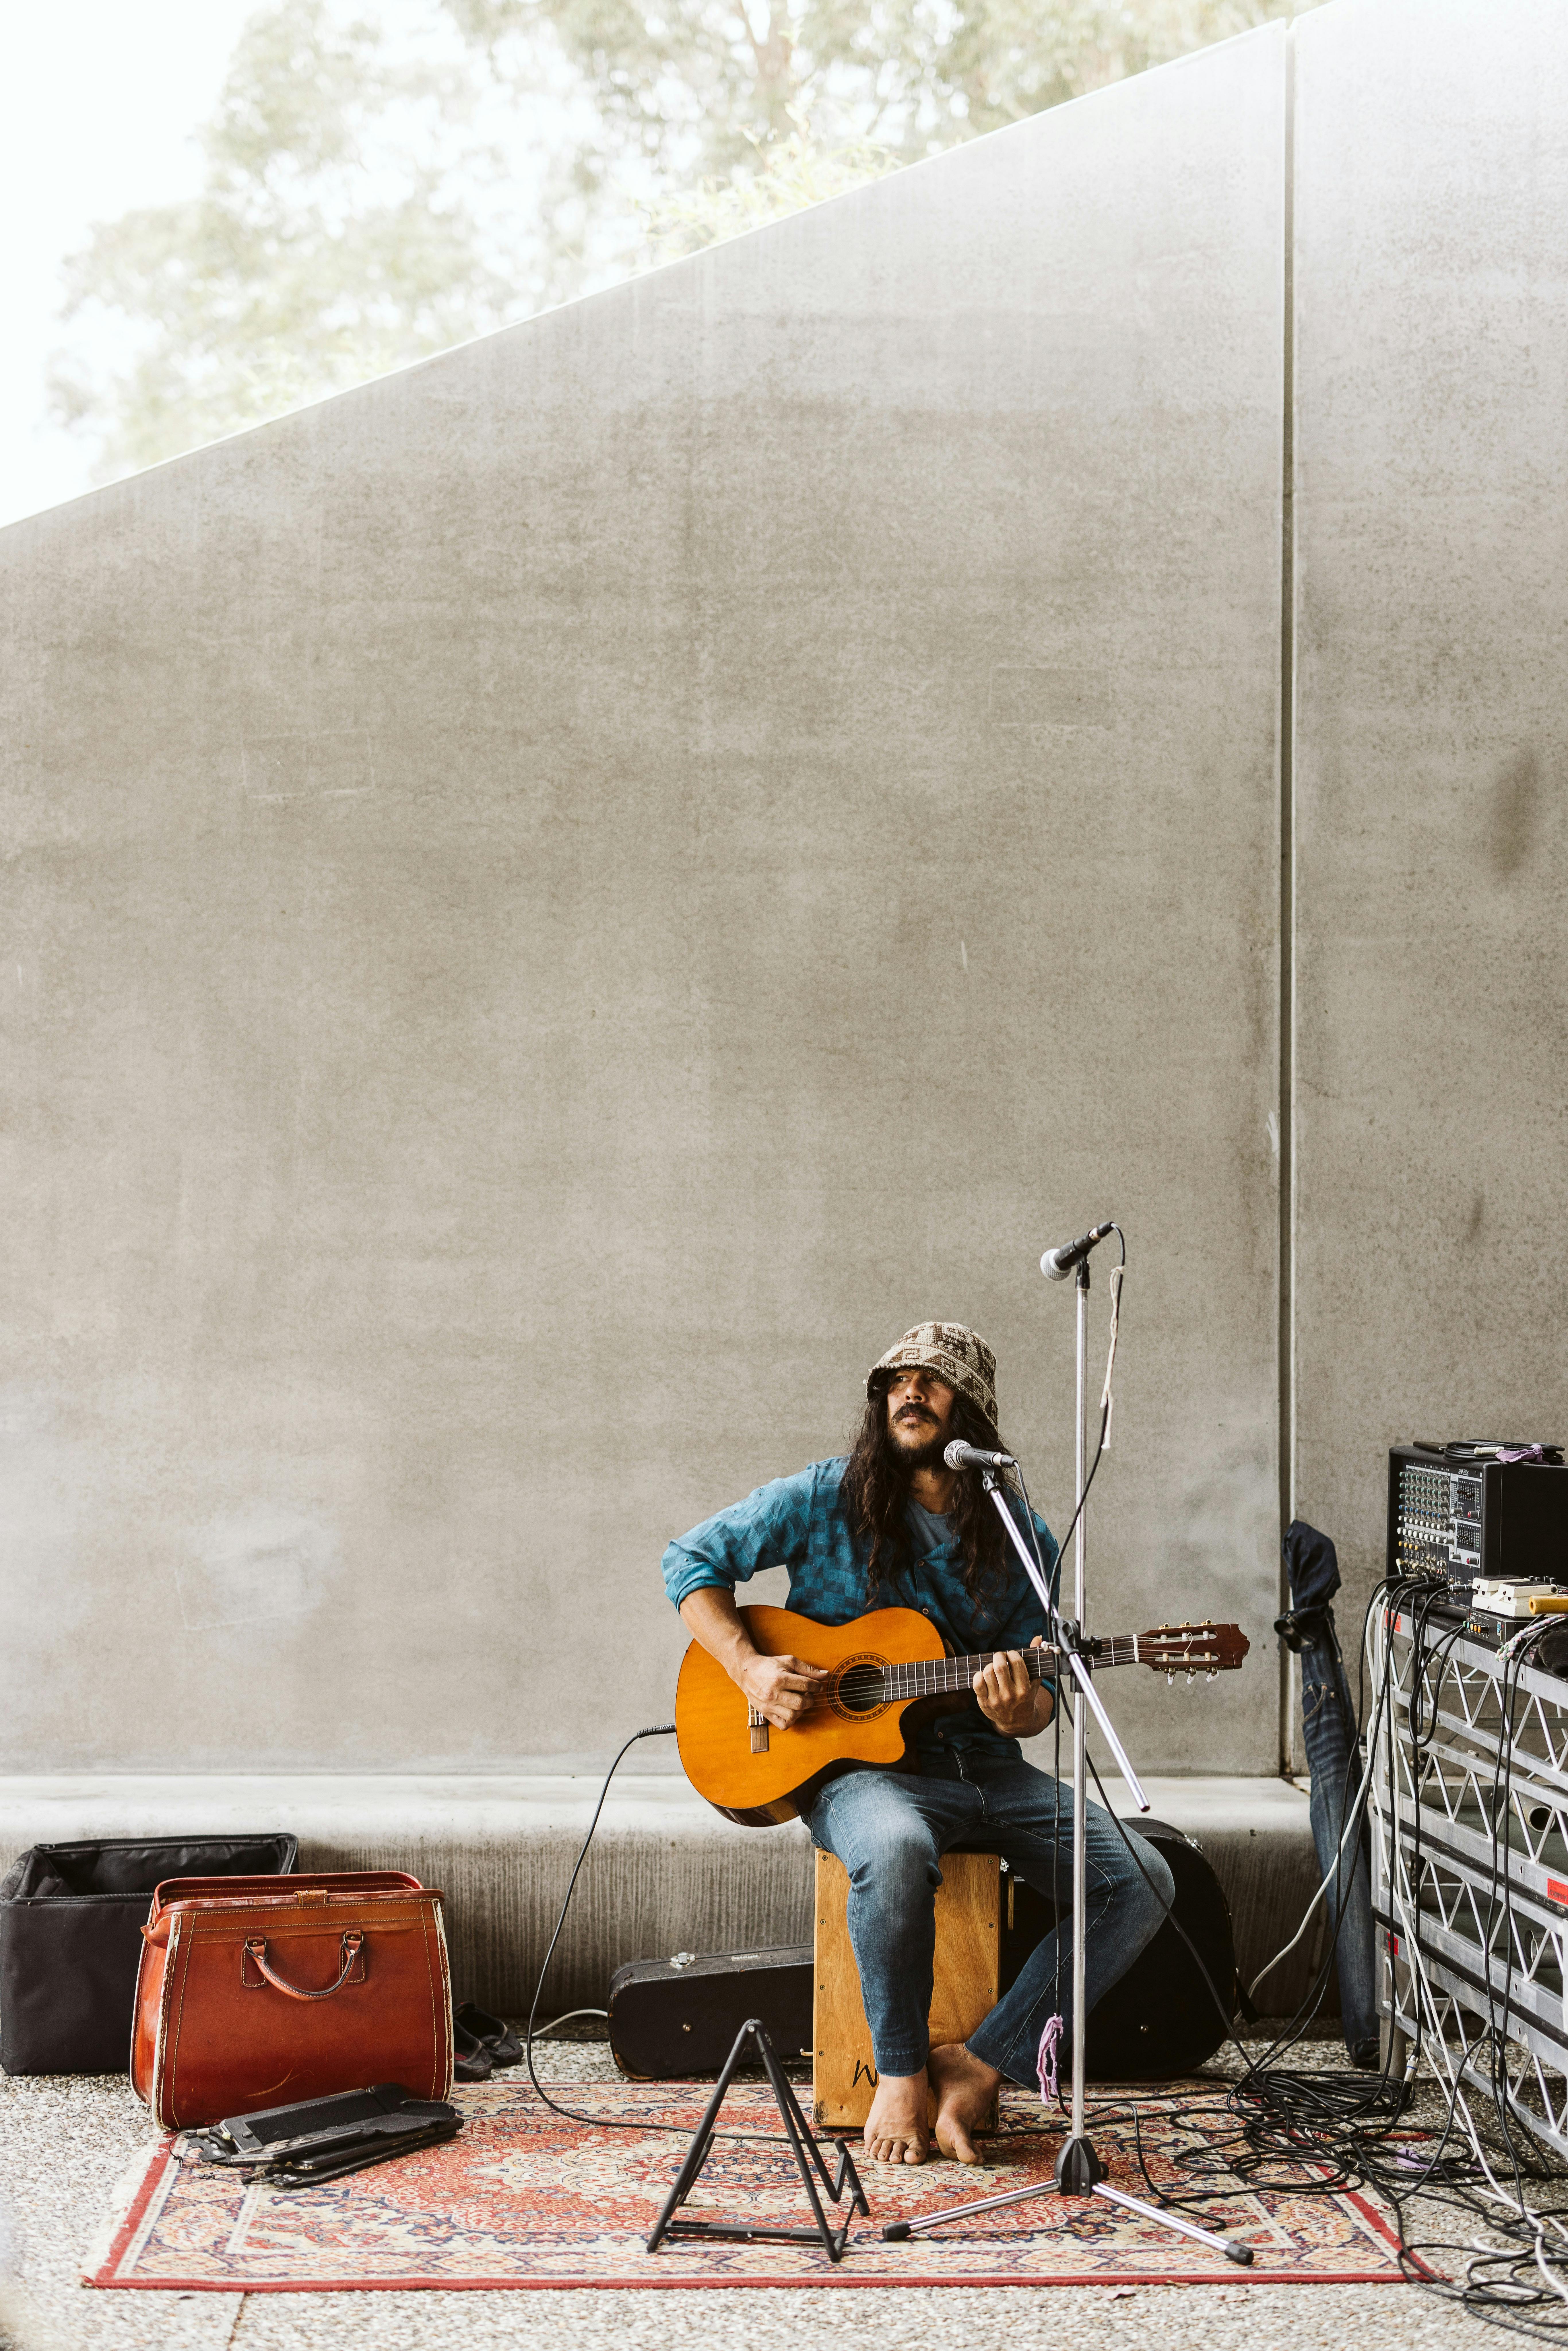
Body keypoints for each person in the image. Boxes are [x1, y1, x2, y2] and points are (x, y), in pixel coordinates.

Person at [662, 1321, 1173, 2167]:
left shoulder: (1022, 1538)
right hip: (859, 1775)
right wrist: (749, 1667)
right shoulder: (824, 1498)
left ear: (973, 1411)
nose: (909, 1392)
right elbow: (690, 1562)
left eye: (933, 1381)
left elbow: (1040, 1698)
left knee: (1143, 1881)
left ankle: (981, 2060)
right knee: (894, 1849)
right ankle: (899, 2073)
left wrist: (1023, 1710)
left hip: (985, 1770)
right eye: (896, 1380)